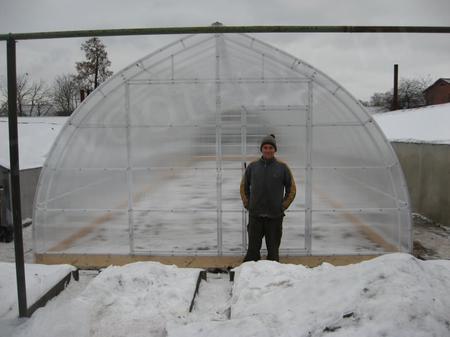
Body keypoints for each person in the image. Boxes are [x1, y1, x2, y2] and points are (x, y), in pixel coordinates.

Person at [240, 134, 296, 262]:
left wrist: (282, 206)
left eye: (270, 147)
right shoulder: (253, 167)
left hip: (274, 217)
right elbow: (244, 187)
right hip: (255, 216)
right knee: (252, 252)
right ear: (261, 149)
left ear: (275, 150)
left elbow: (291, 189)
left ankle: (273, 278)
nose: (268, 150)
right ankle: (249, 277)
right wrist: (248, 204)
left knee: (273, 253)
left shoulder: (282, 167)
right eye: (265, 147)